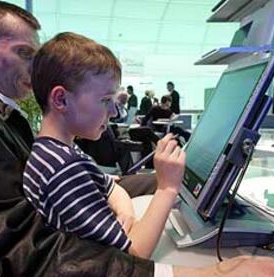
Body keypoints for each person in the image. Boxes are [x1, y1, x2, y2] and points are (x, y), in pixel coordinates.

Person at [0, 1, 274, 276]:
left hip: (99, 251)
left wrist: (165, 183)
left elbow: (79, 190)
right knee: (249, 268)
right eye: (27, 53)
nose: (37, 64)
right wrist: (165, 216)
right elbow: (23, 249)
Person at [23, 32, 185, 259]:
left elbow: (109, 186)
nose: (114, 111)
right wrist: (167, 188)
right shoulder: (64, 167)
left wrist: (126, 210)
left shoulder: (58, 151)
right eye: (105, 100)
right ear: (60, 99)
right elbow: (136, 253)